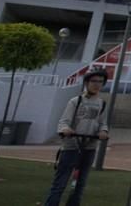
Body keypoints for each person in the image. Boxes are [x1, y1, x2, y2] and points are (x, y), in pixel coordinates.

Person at [44, 69, 109, 206]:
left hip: (89, 147)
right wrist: (66, 129)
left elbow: (103, 123)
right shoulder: (76, 101)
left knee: (80, 183)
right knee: (60, 183)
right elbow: (64, 121)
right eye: (93, 81)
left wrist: (103, 131)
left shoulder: (102, 104)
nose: (96, 84)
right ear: (86, 82)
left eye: (100, 82)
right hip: (71, 146)